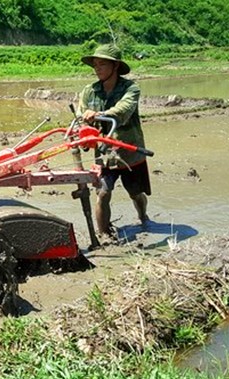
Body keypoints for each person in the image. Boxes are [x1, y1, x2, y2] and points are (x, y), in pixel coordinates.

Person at [78, 44, 151, 241]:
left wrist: (99, 114)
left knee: (136, 193)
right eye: (95, 64)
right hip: (104, 153)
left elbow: (123, 111)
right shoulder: (89, 91)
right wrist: (83, 128)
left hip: (129, 152)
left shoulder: (131, 89)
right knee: (103, 193)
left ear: (116, 66)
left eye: (102, 64)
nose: (97, 68)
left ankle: (143, 217)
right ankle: (104, 235)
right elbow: (81, 117)